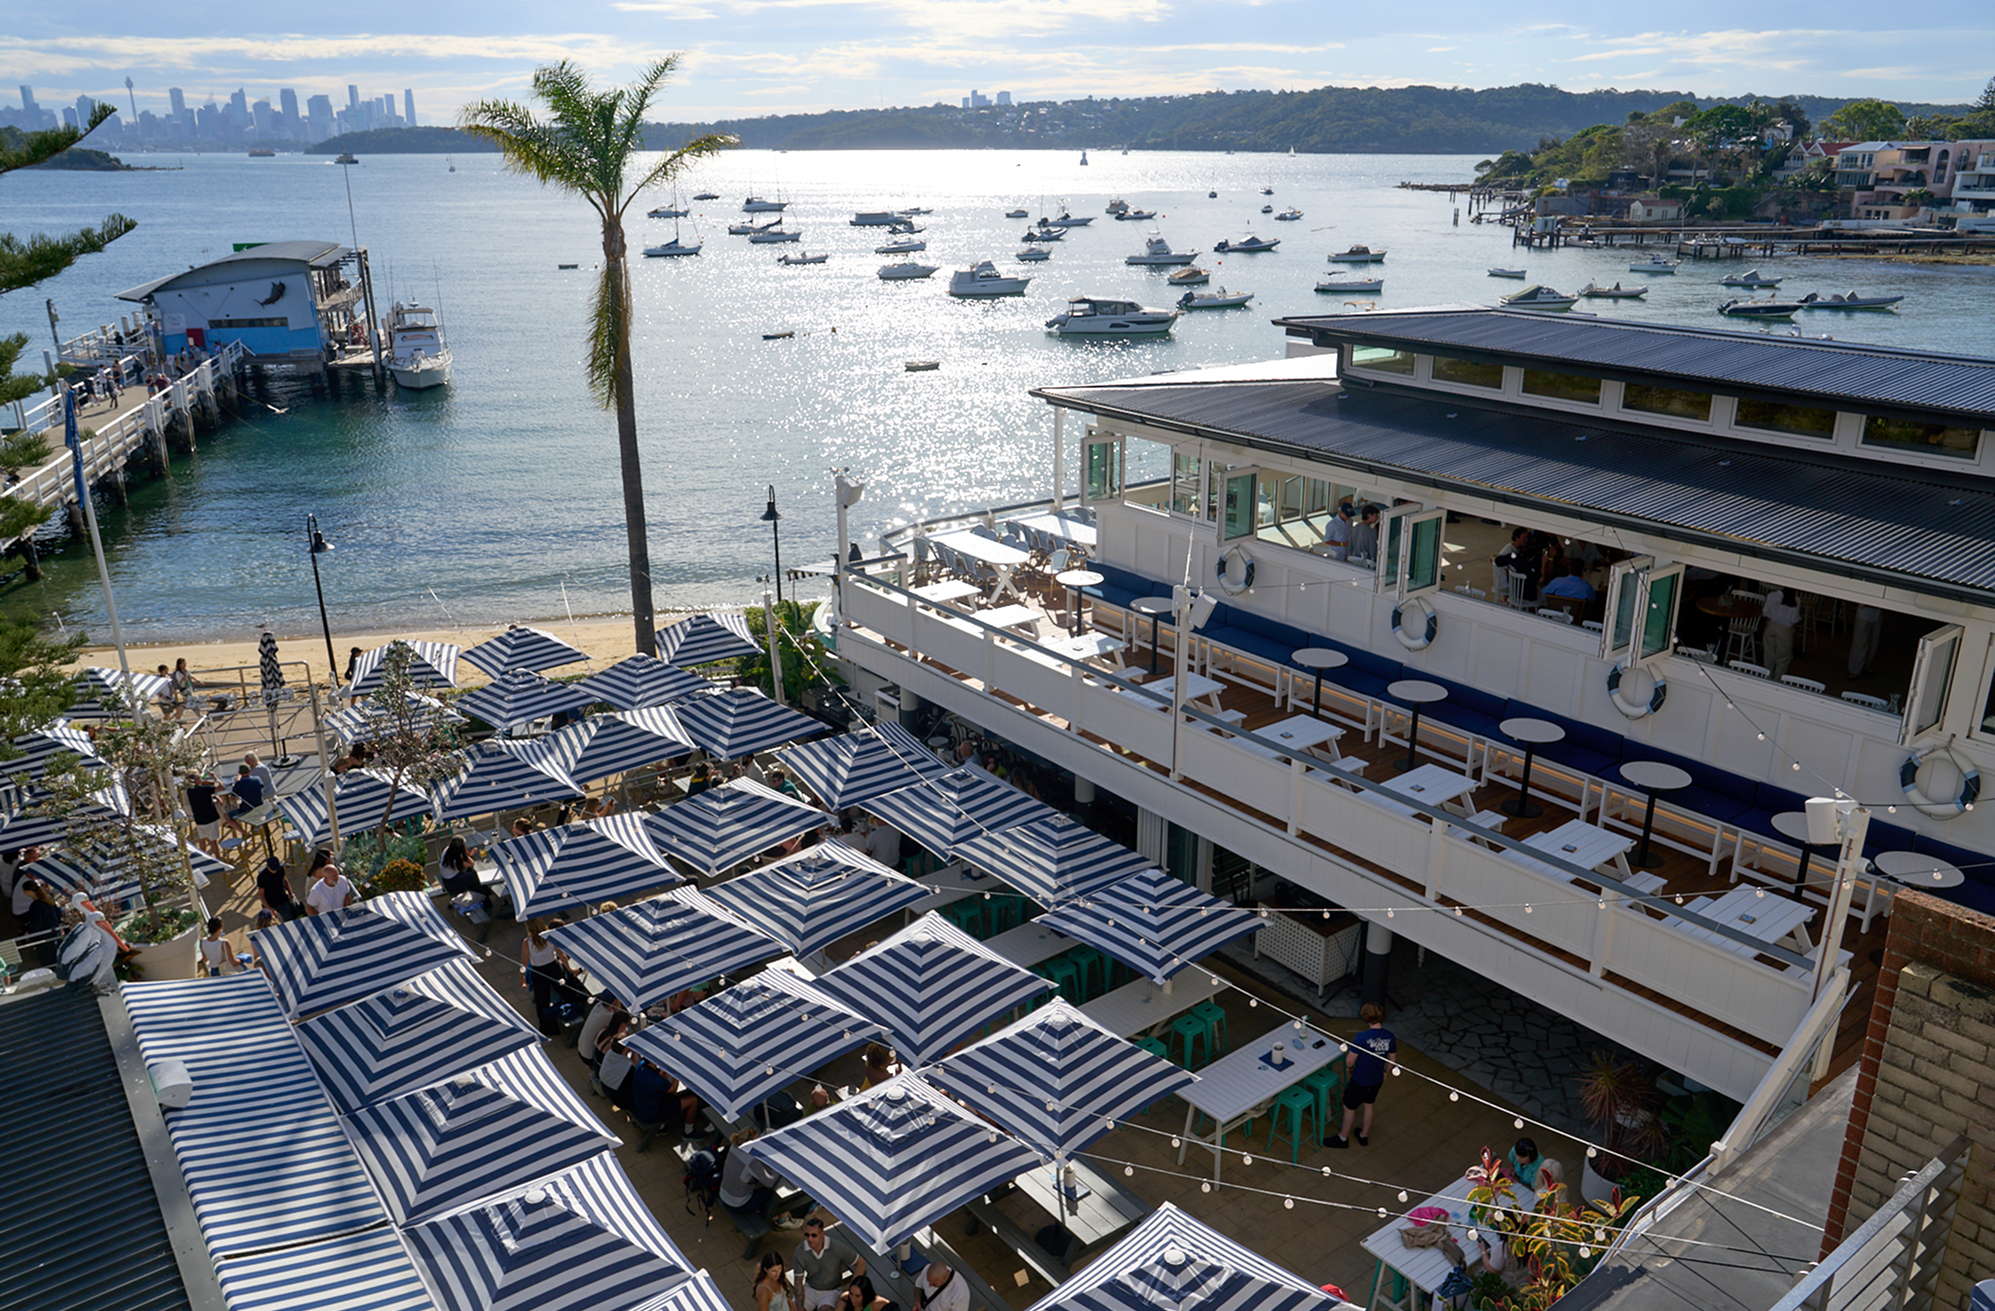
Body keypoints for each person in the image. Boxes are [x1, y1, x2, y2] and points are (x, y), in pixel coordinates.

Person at [1325, 1002, 1396, 1149]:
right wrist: (1385, 1073)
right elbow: (1392, 1060)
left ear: (1366, 1017)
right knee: (1369, 1105)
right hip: (1376, 1080)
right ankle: (1364, 1135)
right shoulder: (1389, 1037)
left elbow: (1351, 1059)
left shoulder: (1362, 1037)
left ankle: (1343, 1137)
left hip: (1360, 1079)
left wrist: (1349, 1068)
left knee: (1349, 1107)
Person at [791, 1218, 866, 1311]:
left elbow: (860, 1263)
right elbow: (798, 1283)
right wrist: (800, 1308)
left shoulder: (837, 1247)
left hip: (831, 1291)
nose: (809, 1239)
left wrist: (852, 1291)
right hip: (810, 1288)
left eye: (814, 1235)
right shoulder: (800, 1251)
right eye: (807, 1235)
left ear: (822, 1234)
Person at [720, 1126, 783, 1216]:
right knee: (772, 1192)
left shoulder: (734, 1146)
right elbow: (770, 1182)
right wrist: (779, 1165)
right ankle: (768, 1216)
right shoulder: (751, 1161)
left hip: (724, 1193)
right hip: (739, 1203)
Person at [21, 878, 62, 966]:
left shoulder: (36, 906)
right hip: (54, 931)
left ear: (28, 891)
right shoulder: (48, 898)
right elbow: (58, 913)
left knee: (48, 959)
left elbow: (37, 923)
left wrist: (29, 933)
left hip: (45, 935)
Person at [1762, 589, 1801, 679]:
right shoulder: (1796, 600)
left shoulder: (1771, 595)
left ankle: (1767, 676)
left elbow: (1765, 613)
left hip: (1770, 626)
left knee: (1768, 655)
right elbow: (1794, 619)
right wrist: (1800, 618)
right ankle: (1777, 679)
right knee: (1783, 658)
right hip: (1785, 630)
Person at [438, 836, 486, 906]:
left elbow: (461, 858)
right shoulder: (455, 861)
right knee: (473, 876)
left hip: (448, 879)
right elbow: (471, 863)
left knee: (471, 875)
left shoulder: (447, 851)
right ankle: (483, 897)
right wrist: (466, 854)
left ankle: (480, 893)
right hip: (453, 883)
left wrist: (468, 854)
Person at [304, 850, 354, 915]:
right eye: (334, 876)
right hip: (313, 896)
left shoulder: (341, 879)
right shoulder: (322, 872)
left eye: (337, 874)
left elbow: (347, 895)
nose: (337, 877)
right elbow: (309, 908)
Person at [186, 774, 223, 856]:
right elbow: (221, 786)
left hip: (199, 819)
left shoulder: (189, 790)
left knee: (202, 839)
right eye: (199, 778)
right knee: (213, 841)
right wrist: (214, 777)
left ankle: (203, 855)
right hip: (210, 819)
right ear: (196, 781)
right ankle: (218, 857)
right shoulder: (205, 789)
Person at [257, 856, 302, 920]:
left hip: (283, 900)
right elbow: (261, 894)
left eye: (276, 868)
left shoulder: (280, 869)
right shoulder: (262, 877)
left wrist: (291, 894)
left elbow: (285, 881)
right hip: (270, 903)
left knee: (290, 919)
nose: (275, 870)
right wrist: (268, 908)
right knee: (271, 923)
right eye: (272, 869)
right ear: (267, 866)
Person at [1848, 604, 1882, 678]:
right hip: (1864, 612)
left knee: (1873, 643)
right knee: (1859, 642)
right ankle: (1855, 670)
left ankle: (1866, 666)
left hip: (1877, 612)